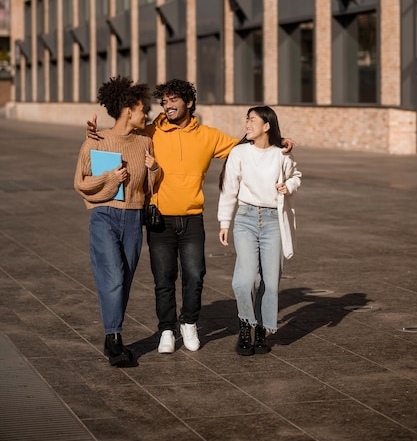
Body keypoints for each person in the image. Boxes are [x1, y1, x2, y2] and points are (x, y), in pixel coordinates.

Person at [87, 80, 296, 355]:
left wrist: (280, 140)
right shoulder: (150, 133)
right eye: (163, 101)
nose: (167, 105)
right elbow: (122, 136)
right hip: (160, 217)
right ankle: (166, 329)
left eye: (173, 100)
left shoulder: (208, 136)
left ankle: (189, 323)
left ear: (188, 102)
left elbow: (246, 145)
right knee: (163, 278)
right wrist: (95, 134)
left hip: (193, 218)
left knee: (195, 276)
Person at [74, 76, 161, 366]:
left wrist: (154, 169)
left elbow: (150, 186)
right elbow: (81, 183)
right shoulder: (98, 140)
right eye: (142, 108)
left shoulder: (145, 141)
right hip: (104, 215)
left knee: (123, 280)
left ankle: (113, 334)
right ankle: (114, 339)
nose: (145, 113)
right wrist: (111, 177)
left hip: (135, 217)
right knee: (111, 277)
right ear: (127, 109)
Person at [218, 106, 301, 356]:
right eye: (247, 120)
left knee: (270, 281)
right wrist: (224, 222)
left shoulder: (281, 155)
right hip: (245, 218)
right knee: (244, 281)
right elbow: (229, 188)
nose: (247, 124)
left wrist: (288, 185)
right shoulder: (239, 153)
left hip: (274, 220)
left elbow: (296, 175)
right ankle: (246, 325)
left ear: (267, 125)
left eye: (252, 120)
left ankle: (262, 331)